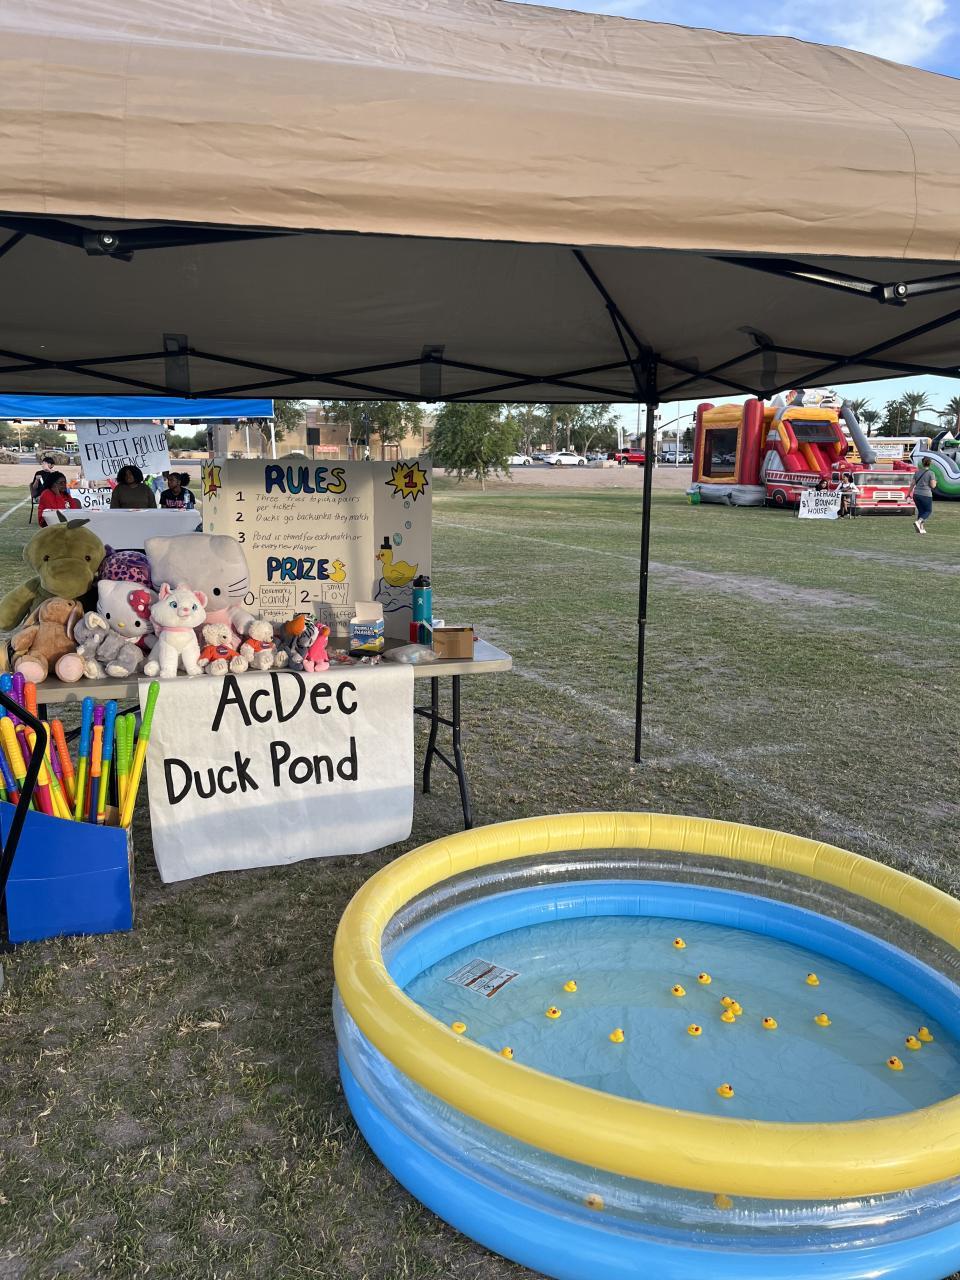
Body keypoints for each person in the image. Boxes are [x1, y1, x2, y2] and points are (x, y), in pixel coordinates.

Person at [910, 458, 937, 534]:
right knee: (928, 511)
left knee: (921, 511)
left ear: (922, 463)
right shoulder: (931, 473)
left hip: (916, 494)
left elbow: (912, 484)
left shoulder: (917, 472)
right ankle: (918, 522)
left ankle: (921, 528)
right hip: (926, 494)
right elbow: (933, 486)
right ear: (930, 463)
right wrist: (935, 482)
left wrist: (908, 494)